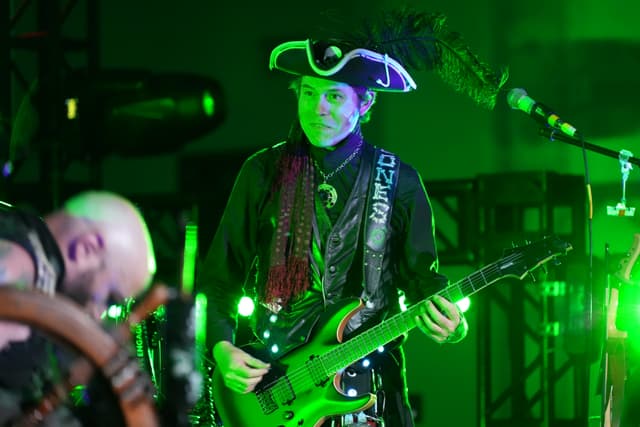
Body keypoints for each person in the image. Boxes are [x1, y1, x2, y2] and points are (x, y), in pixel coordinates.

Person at [198, 9, 506, 426]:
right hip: (275, 390)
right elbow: (219, 278)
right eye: (308, 93)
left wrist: (451, 324)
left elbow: (423, 281)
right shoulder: (262, 172)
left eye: (334, 96)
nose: (317, 108)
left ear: (366, 102)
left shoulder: (400, 180)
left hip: (371, 391)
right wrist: (221, 347)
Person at [0, 190, 156, 425]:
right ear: (86, 249)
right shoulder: (18, 265)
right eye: (110, 299)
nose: (100, 313)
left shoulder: (41, 276)